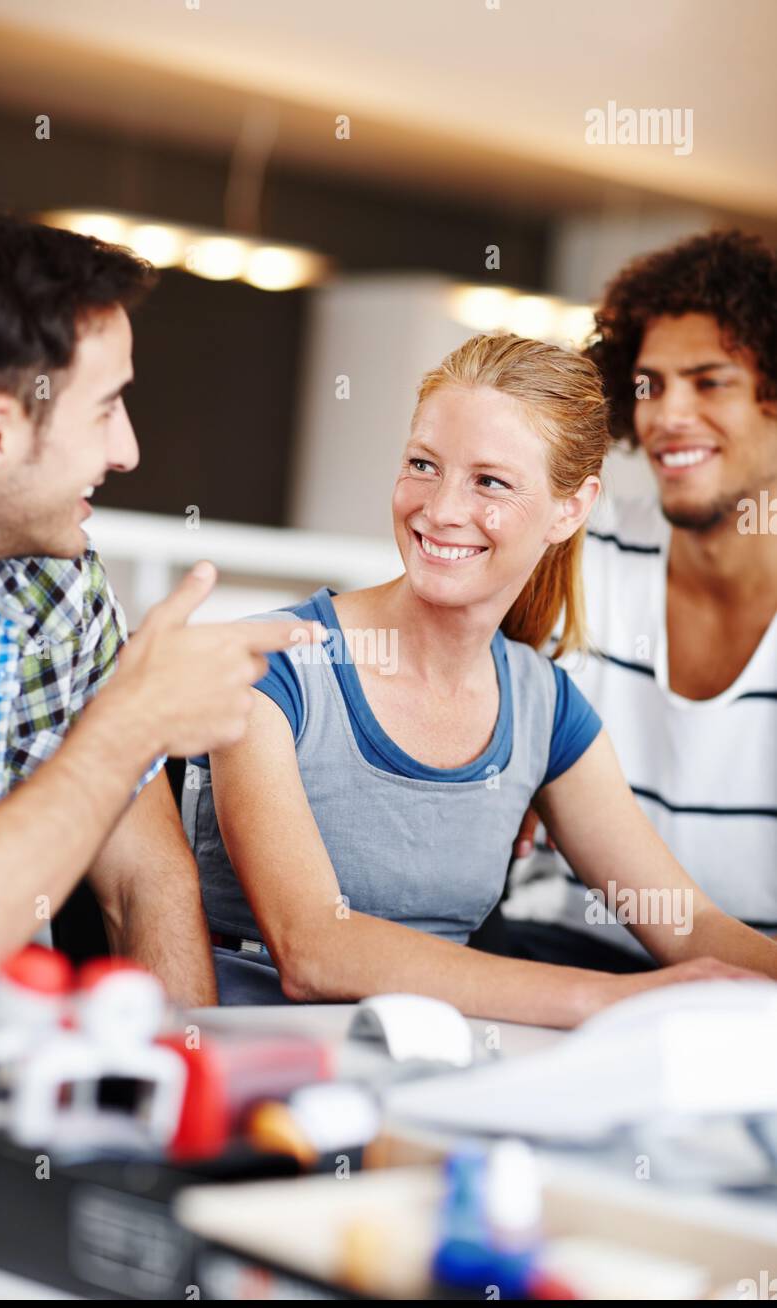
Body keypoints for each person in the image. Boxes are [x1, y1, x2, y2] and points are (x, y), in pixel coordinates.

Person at [183, 330, 777, 1023]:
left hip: (437, 1075)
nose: (439, 510)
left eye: (489, 481)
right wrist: (614, 997)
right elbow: (314, 949)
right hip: (257, 1076)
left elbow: (687, 925)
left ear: (571, 508)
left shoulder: (545, 707)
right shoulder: (274, 665)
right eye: (422, 465)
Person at [0, 212, 315, 999]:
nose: (126, 451)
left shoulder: (53, 590)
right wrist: (127, 726)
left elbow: (145, 888)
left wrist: (175, 1085)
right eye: (105, 409)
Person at [503, 231, 777, 972]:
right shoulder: (579, 548)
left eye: (709, 381)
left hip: (753, 996)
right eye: (650, 384)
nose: (667, 416)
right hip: (557, 958)